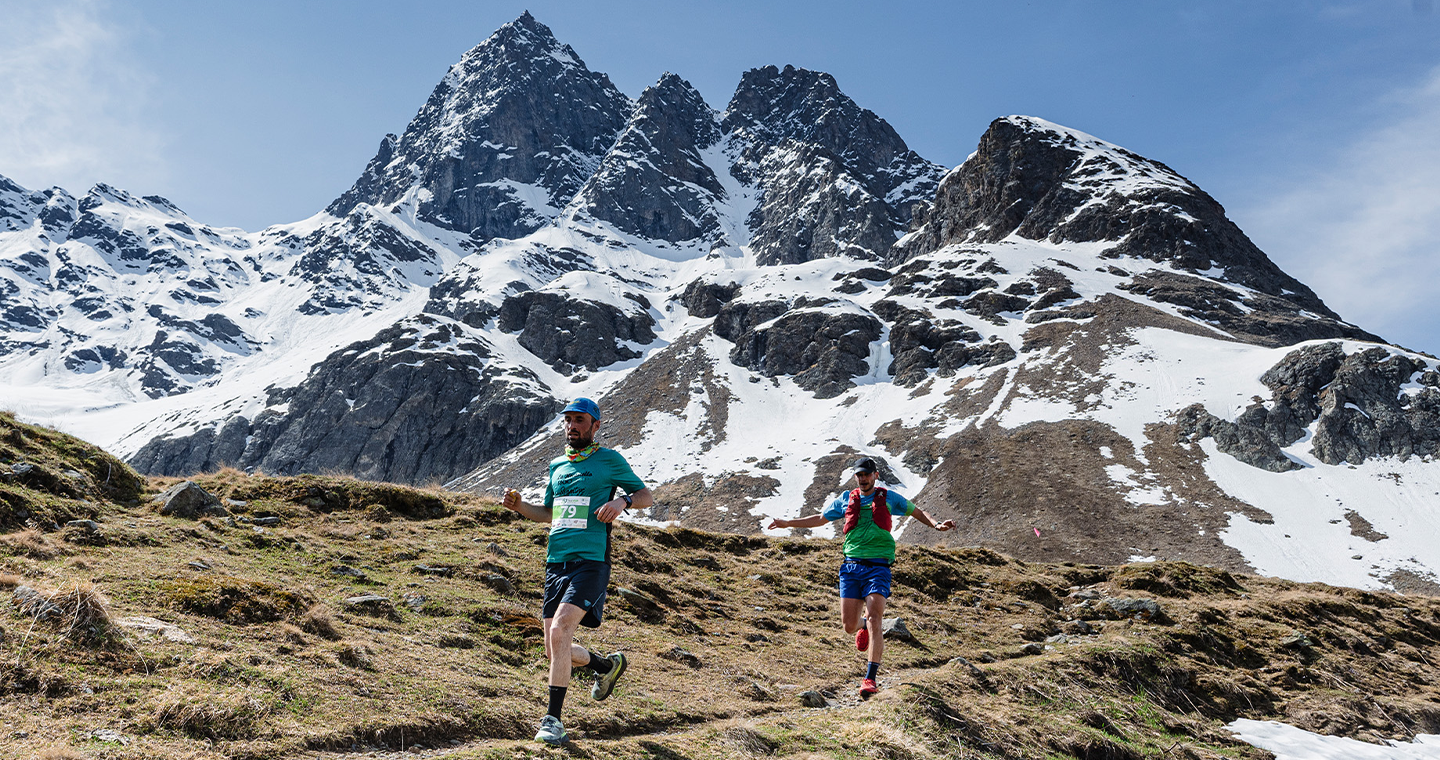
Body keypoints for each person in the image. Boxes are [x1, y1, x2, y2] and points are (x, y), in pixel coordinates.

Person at [502, 397, 653, 745]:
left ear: (595, 425)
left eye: (579, 420)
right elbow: (549, 514)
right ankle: (605, 666)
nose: (572, 425)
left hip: (591, 561)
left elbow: (646, 495)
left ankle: (553, 720)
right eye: (568, 420)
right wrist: (520, 506)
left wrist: (622, 501)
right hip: (556, 562)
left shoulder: (609, 460)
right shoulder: (558, 466)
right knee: (554, 647)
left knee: (560, 630)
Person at [766, 457, 954, 698]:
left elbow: (917, 511)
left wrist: (936, 525)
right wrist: (787, 523)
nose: (863, 478)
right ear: (856, 477)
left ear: (875, 475)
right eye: (859, 475)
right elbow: (821, 519)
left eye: (867, 474)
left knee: (876, 618)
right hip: (851, 567)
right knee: (849, 626)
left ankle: (870, 678)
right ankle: (862, 625)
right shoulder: (846, 499)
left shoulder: (888, 498)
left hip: (879, 566)